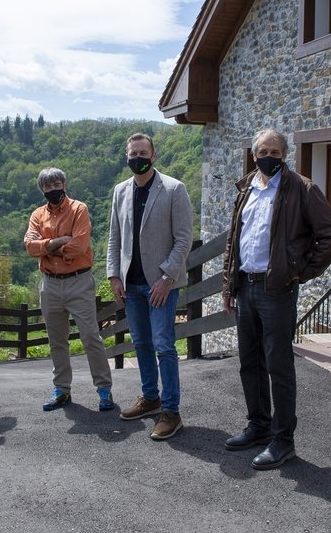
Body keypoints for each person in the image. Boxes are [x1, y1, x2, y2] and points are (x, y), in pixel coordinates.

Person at [221, 128, 331, 470]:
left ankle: (282, 440)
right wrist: (228, 286)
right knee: (250, 362)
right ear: (254, 154)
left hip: (277, 290)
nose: (268, 157)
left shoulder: (302, 188)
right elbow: (234, 239)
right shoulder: (246, 188)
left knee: (279, 366)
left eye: (275, 152)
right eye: (263, 151)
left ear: (283, 155)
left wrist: (299, 271)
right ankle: (258, 426)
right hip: (246, 287)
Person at [107, 132, 193, 440]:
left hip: (161, 285)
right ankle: (150, 398)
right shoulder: (120, 191)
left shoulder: (173, 189)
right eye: (133, 153)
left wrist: (167, 279)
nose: (138, 158)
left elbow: (183, 239)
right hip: (132, 285)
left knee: (164, 345)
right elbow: (114, 238)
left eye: (143, 153)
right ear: (127, 156)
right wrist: (114, 276)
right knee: (141, 344)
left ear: (153, 156)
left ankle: (171, 411)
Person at [24, 167, 115, 412]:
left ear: (64, 183)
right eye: (47, 186)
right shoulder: (37, 214)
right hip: (49, 283)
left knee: (90, 336)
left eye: (56, 184)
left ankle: (104, 389)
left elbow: (79, 246)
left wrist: (47, 247)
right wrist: (57, 242)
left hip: (79, 281)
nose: (53, 189)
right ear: (42, 189)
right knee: (57, 341)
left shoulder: (79, 209)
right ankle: (62, 390)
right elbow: (29, 246)